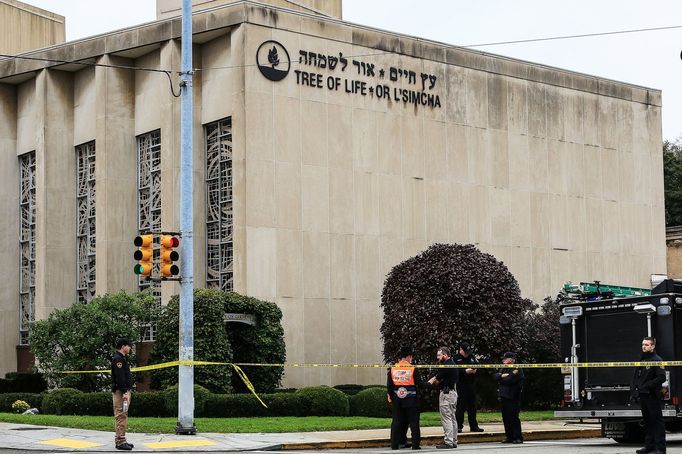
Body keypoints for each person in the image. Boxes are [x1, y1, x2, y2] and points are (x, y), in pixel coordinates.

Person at [631, 337, 666, 454]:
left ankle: (660, 449)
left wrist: (646, 386)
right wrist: (634, 389)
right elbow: (637, 376)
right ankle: (649, 447)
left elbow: (662, 377)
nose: (644, 346)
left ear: (653, 346)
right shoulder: (642, 359)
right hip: (643, 395)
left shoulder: (657, 360)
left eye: (646, 345)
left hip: (652, 395)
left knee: (657, 422)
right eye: (643, 344)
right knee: (648, 422)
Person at [387, 346, 422, 450]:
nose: (411, 359)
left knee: (396, 422)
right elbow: (419, 384)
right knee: (414, 423)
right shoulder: (412, 369)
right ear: (409, 356)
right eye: (411, 357)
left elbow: (390, 386)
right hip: (411, 399)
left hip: (397, 399)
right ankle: (415, 445)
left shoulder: (393, 368)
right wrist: (431, 383)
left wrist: (391, 396)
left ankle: (394, 445)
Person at [428, 347, 459, 449]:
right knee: (452, 417)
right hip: (453, 393)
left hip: (446, 394)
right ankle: (454, 440)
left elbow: (436, 379)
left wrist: (428, 383)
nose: (437, 357)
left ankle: (448, 442)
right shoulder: (453, 364)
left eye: (439, 355)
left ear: (445, 355)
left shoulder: (445, 365)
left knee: (446, 418)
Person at [493, 352, 524, 444]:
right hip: (504, 396)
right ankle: (509, 436)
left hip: (513, 397)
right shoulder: (504, 368)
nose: (503, 360)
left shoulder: (517, 368)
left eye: (505, 359)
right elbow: (495, 376)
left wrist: (501, 378)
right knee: (505, 417)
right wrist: (501, 376)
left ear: (511, 359)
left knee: (513, 417)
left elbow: (510, 380)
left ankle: (517, 437)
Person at [111, 338, 134, 451]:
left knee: (122, 415)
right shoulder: (118, 360)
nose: (129, 348)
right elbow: (120, 378)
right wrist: (125, 392)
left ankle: (121, 440)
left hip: (123, 391)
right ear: (123, 346)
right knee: (121, 416)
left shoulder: (121, 359)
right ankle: (120, 441)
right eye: (128, 346)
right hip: (121, 392)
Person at [455, 342, 483, 433]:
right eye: (465, 351)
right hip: (461, 385)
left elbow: (478, 365)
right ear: (461, 350)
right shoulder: (456, 358)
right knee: (460, 406)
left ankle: (474, 426)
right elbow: (454, 371)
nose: (467, 353)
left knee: (472, 406)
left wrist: (475, 370)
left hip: (471, 384)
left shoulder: (472, 356)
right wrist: (465, 371)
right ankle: (458, 426)